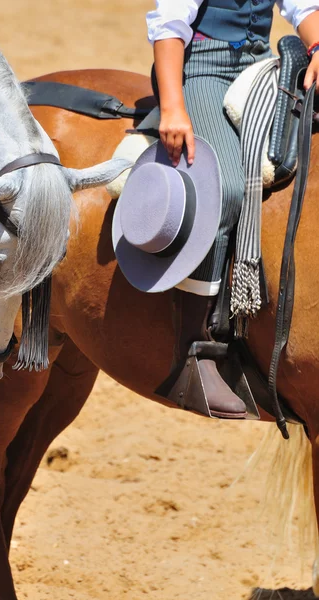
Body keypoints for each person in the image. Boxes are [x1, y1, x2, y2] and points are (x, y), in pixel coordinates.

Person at [146, 0, 319, 418]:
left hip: (260, 62)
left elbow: (302, 6)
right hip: (202, 67)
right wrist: (172, 107)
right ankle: (193, 351)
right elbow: (169, 23)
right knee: (226, 189)